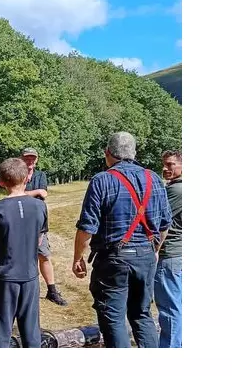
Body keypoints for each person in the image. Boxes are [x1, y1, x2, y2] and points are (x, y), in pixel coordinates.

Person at [72, 132, 172, 348]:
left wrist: (78, 258)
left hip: (113, 260)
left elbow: (87, 227)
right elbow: (165, 224)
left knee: (113, 318)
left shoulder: (102, 180)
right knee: (142, 314)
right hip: (145, 256)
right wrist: (155, 249)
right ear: (134, 153)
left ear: (108, 153)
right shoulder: (154, 178)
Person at [0, 158, 47, 348]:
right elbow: (38, 240)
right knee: (31, 332)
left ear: (1, 182)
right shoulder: (40, 206)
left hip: (3, 278)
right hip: (30, 276)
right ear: (26, 178)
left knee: (2, 332)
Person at [21, 147, 68, 306]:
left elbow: (44, 193)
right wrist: (36, 192)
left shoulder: (41, 175)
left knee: (44, 255)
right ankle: (26, 290)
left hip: (39, 221)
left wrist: (27, 193)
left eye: (32, 158)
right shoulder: (17, 174)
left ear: (36, 160)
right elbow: (17, 193)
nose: (30, 161)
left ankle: (52, 291)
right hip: (21, 219)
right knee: (24, 256)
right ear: (22, 159)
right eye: (27, 158)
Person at [154, 149, 182, 347]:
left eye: (171, 164)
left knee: (169, 308)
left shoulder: (177, 190)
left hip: (170, 254)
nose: (165, 168)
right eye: (164, 164)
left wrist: (154, 249)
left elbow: (157, 220)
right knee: (177, 304)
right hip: (178, 254)